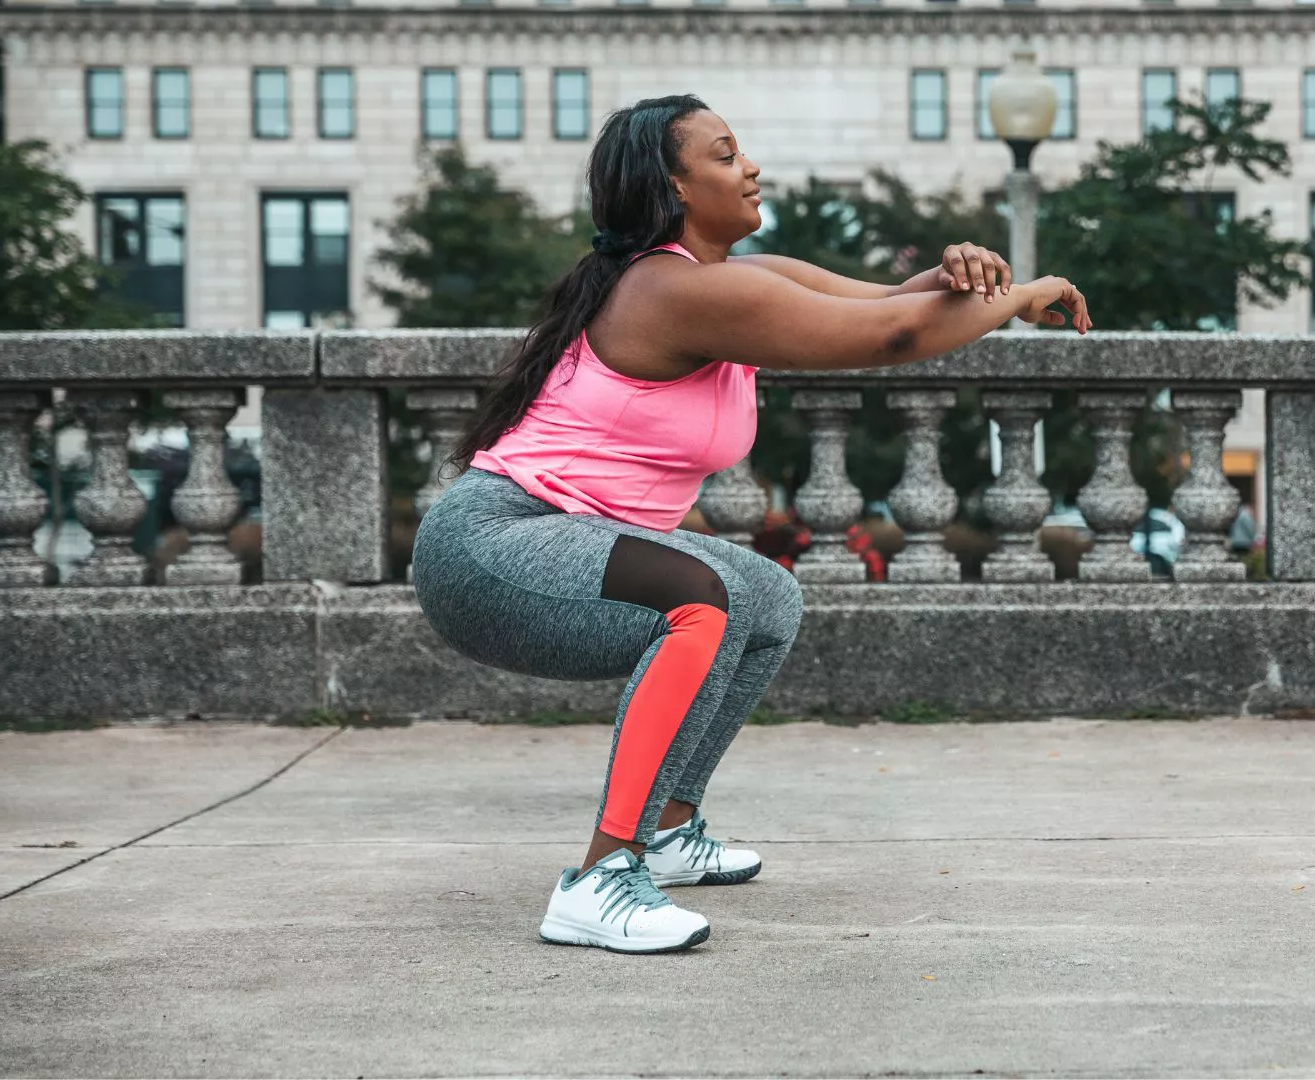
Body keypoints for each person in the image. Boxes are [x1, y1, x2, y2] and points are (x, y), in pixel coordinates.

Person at [410, 94, 1091, 956]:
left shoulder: (728, 281)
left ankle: (667, 827)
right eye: (726, 155)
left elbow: (892, 299)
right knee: (702, 599)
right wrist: (1023, 293)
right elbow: (892, 337)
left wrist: (966, 269)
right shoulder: (671, 291)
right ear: (675, 187)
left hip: (551, 538)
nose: (751, 167)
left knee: (764, 596)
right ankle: (600, 878)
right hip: (494, 545)